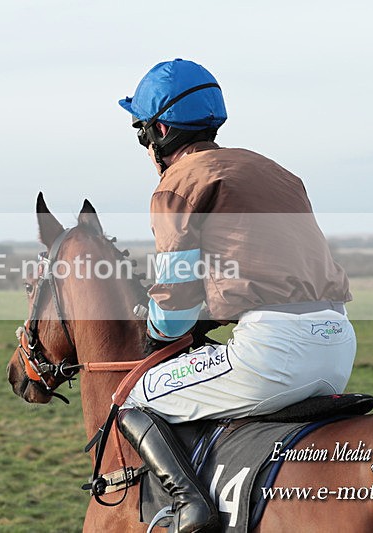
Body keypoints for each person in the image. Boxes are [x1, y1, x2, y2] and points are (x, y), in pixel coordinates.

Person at [115, 58, 356, 533]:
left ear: (160, 130)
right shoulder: (278, 173)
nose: (144, 147)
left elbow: (175, 306)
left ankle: (192, 507)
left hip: (275, 351)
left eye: (141, 133)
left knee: (136, 401)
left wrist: (158, 333)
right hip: (339, 342)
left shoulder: (177, 184)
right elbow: (273, 270)